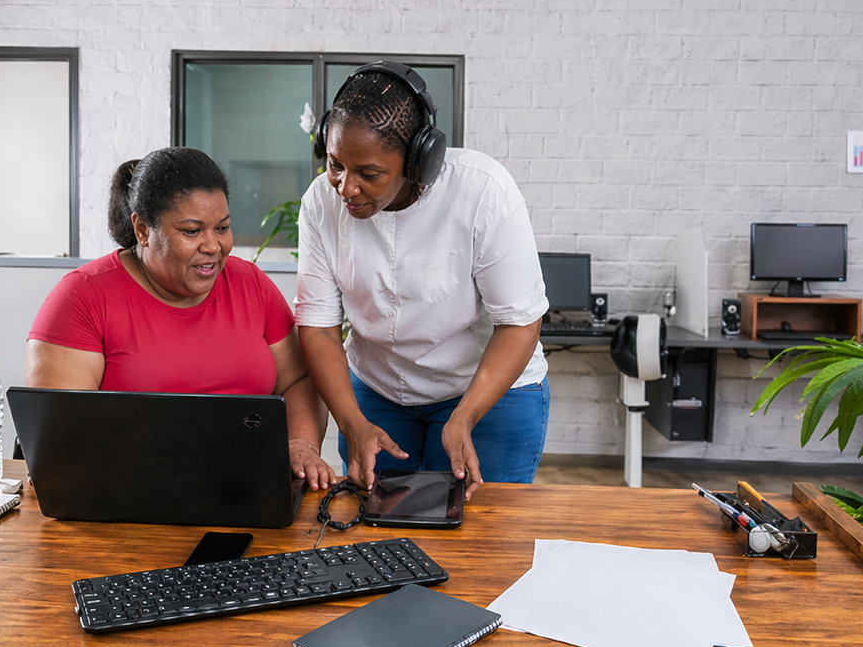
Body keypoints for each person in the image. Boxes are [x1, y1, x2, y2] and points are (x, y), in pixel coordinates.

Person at [296, 62, 549, 498]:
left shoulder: (483, 191)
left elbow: (519, 322)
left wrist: (465, 416)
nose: (345, 188)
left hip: (485, 391)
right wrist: (352, 422)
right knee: (379, 535)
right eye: (336, 164)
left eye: (368, 174)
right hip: (377, 390)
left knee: (476, 537)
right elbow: (317, 326)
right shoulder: (321, 201)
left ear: (420, 160)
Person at [27, 146, 335, 490]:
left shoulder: (251, 284)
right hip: (127, 495)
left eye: (222, 228)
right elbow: (65, 442)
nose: (213, 246)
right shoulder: (82, 298)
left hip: (247, 489)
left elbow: (297, 380)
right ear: (142, 230)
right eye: (192, 231)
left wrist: (300, 444)